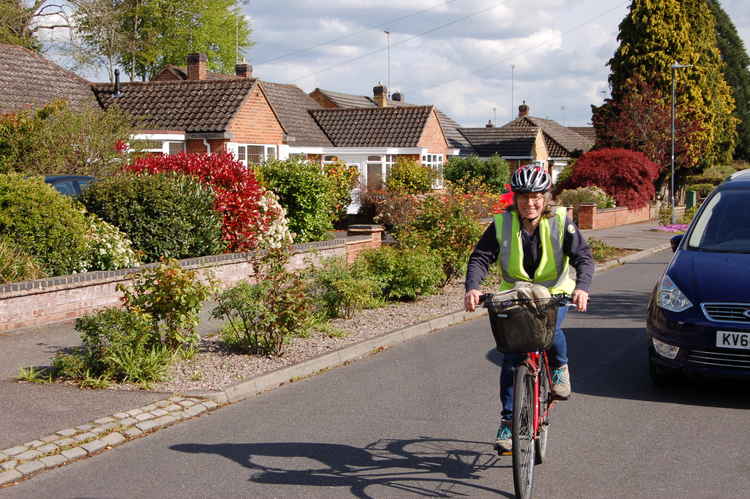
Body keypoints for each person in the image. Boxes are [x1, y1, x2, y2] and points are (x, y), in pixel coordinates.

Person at [464, 164, 594, 452]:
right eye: (523, 197)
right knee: (511, 358)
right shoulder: (502, 223)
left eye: (536, 196)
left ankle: (560, 367)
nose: (530, 203)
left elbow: (583, 257)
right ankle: (508, 423)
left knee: (550, 329)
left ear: (546, 197)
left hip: (554, 291)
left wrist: (582, 287)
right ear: (516, 199)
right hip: (517, 293)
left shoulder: (561, 220)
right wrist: (473, 286)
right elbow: (480, 257)